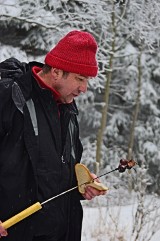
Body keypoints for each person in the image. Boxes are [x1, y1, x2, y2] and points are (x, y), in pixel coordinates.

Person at [0, 30, 106, 241]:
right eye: (80, 79)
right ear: (56, 72)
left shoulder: (68, 110)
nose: (84, 88)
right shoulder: (11, 96)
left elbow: (51, 171)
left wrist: (80, 185)